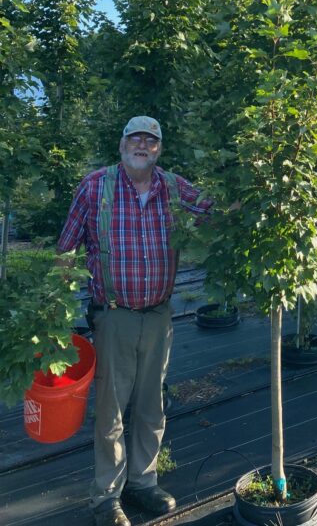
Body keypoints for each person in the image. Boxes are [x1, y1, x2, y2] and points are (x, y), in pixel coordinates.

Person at [58, 116, 213, 526]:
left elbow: (216, 214)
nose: (142, 145)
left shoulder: (174, 188)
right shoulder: (96, 186)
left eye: (150, 139)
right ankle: (106, 496)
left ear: (159, 148)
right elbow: (66, 247)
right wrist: (55, 308)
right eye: (135, 138)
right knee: (111, 408)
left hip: (159, 314)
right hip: (114, 316)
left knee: (151, 405)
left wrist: (256, 189)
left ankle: (143, 482)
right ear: (122, 144)